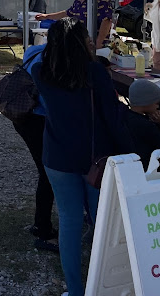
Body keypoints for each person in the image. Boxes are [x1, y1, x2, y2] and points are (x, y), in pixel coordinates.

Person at [30, 18, 134, 296]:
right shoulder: (95, 72)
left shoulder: (41, 71)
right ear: (81, 43)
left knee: (69, 222)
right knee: (103, 224)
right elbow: (112, 117)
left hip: (57, 156)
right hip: (95, 159)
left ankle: (75, 289)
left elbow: (36, 59)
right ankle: (106, 284)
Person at [15, 43, 58, 252]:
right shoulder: (53, 62)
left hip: (22, 116)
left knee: (45, 171)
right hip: (36, 118)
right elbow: (49, 100)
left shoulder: (36, 50)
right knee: (47, 173)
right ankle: (43, 229)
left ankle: (40, 224)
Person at [35, 0, 114, 48]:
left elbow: (106, 21)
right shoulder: (78, 1)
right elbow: (67, 13)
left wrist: (99, 42)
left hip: (93, 45)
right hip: (79, 43)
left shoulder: (101, 1)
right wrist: (47, 16)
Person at [124, 79, 160, 170]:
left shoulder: (126, 116)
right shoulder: (145, 125)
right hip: (148, 169)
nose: (158, 107)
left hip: (130, 165)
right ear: (146, 102)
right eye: (157, 103)